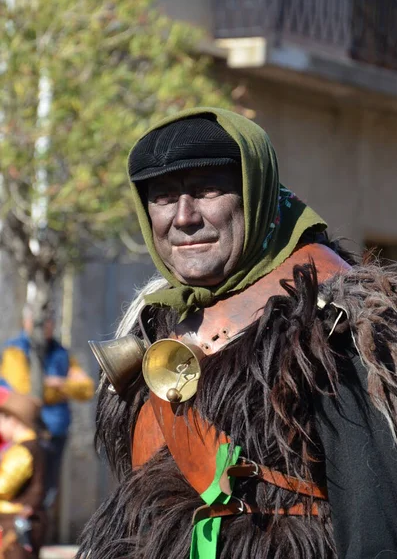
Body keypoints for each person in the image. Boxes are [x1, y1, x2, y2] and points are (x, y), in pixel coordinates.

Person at [78, 108, 397, 559]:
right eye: (164, 197)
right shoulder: (153, 322)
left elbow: (374, 523)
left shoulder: (330, 322)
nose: (184, 217)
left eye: (207, 191)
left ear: (256, 194)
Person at [0, 307, 94, 504]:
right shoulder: (16, 350)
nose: (46, 327)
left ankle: (38, 531)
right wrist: (62, 385)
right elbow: (23, 389)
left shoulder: (60, 352)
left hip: (55, 430)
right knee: (18, 488)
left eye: (49, 322)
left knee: (45, 489)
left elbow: (86, 388)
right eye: (40, 323)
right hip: (23, 429)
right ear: (26, 322)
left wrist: (59, 383)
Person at [0, 387, 46, 559]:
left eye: (1, 421)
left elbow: (3, 486)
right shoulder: (34, 446)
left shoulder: (22, 450)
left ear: (13, 421)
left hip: (17, 524)